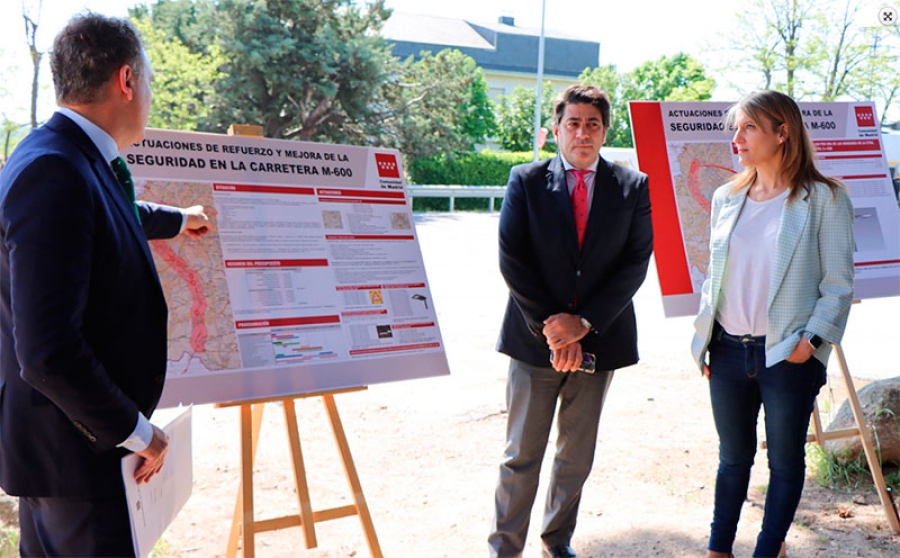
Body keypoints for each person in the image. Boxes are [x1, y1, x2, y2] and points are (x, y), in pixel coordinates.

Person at [0, 13, 211, 557]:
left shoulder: (71, 157)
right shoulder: (54, 171)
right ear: (127, 80)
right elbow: (47, 352)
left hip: (71, 451)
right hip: (77, 461)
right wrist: (138, 432)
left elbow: (111, 214)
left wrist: (178, 219)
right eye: (149, 82)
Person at [488, 84, 653, 558]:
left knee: (575, 456)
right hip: (533, 341)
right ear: (557, 129)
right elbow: (513, 258)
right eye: (573, 123)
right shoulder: (525, 180)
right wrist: (556, 330)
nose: (583, 133)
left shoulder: (632, 186)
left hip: (600, 341)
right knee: (521, 455)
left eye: (592, 124)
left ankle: (556, 542)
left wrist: (584, 324)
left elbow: (635, 263)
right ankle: (505, 548)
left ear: (604, 131)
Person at [691, 90, 855, 558]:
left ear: (782, 132)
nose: (736, 138)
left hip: (788, 353)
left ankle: (767, 550)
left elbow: (838, 285)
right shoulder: (727, 197)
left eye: (749, 128)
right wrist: (706, 340)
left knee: (784, 462)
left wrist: (809, 343)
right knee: (732, 459)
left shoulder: (825, 198)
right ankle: (718, 550)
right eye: (736, 128)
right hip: (727, 351)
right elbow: (716, 275)